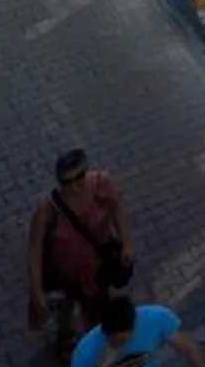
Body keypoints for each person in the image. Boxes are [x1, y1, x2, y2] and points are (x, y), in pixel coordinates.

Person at [27, 149, 136, 348]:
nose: (76, 185)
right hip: (65, 273)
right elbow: (34, 250)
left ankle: (97, 340)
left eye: (80, 177)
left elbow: (117, 207)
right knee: (65, 306)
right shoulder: (47, 210)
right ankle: (66, 336)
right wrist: (36, 291)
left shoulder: (101, 185)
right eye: (68, 182)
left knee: (96, 306)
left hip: (96, 269)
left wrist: (126, 242)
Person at [66, 292, 205, 367]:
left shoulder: (154, 318)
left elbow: (188, 346)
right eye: (116, 341)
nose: (121, 346)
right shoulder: (85, 351)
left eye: (126, 339)